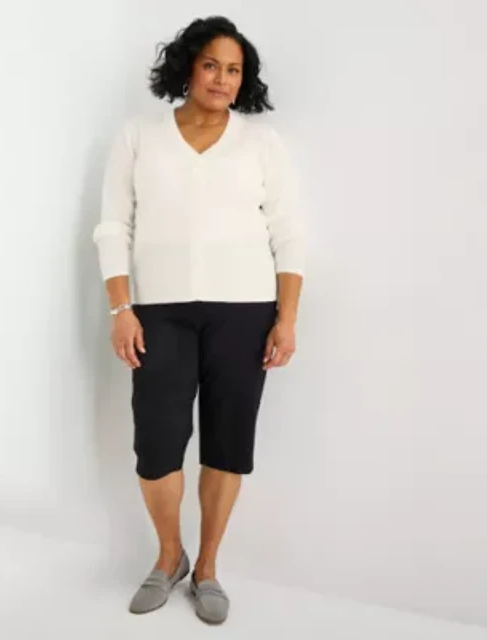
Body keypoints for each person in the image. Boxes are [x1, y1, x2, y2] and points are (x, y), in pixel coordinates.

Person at [92, 15, 305, 625]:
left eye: (234, 69)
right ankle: (170, 556)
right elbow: (113, 226)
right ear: (188, 66)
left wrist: (286, 320)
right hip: (159, 314)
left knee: (227, 441)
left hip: (246, 313)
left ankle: (207, 566)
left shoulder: (263, 144)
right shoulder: (139, 135)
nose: (222, 78)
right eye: (211, 64)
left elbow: (289, 234)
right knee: (157, 443)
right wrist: (121, 309)